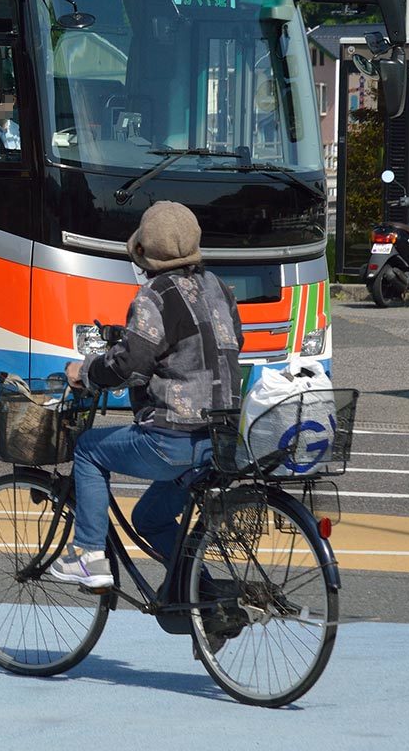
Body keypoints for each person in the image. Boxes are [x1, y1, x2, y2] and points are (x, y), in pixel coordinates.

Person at [47, 201, 243, 589]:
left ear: (143, 250)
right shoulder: (218, 288)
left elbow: (128, 365)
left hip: (173, 438)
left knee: (87, 449)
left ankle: (88, 555)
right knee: (149, 518)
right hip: (220, 440)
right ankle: (202, 594)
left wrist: (84, 372)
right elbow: (224, 342)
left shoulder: (155, 295)